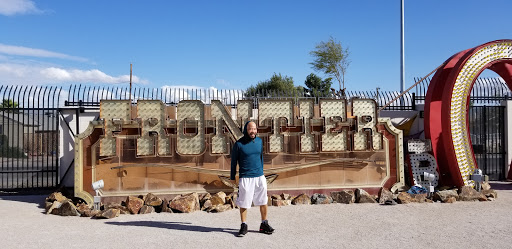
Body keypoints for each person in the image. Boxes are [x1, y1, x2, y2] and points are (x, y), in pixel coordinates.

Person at [230, 121, 275, 237]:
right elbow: (233, 162)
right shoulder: (239, 144)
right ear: (246, 129)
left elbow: (260, 158)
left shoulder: (259, 141)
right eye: (251, 129)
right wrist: (232, 177)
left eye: (255, 129)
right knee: (244, 202)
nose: (253, 131)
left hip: (259, 176)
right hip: (245, 177)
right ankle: (243, 225)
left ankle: (264, 224)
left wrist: (261, 172)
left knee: (263, 200)